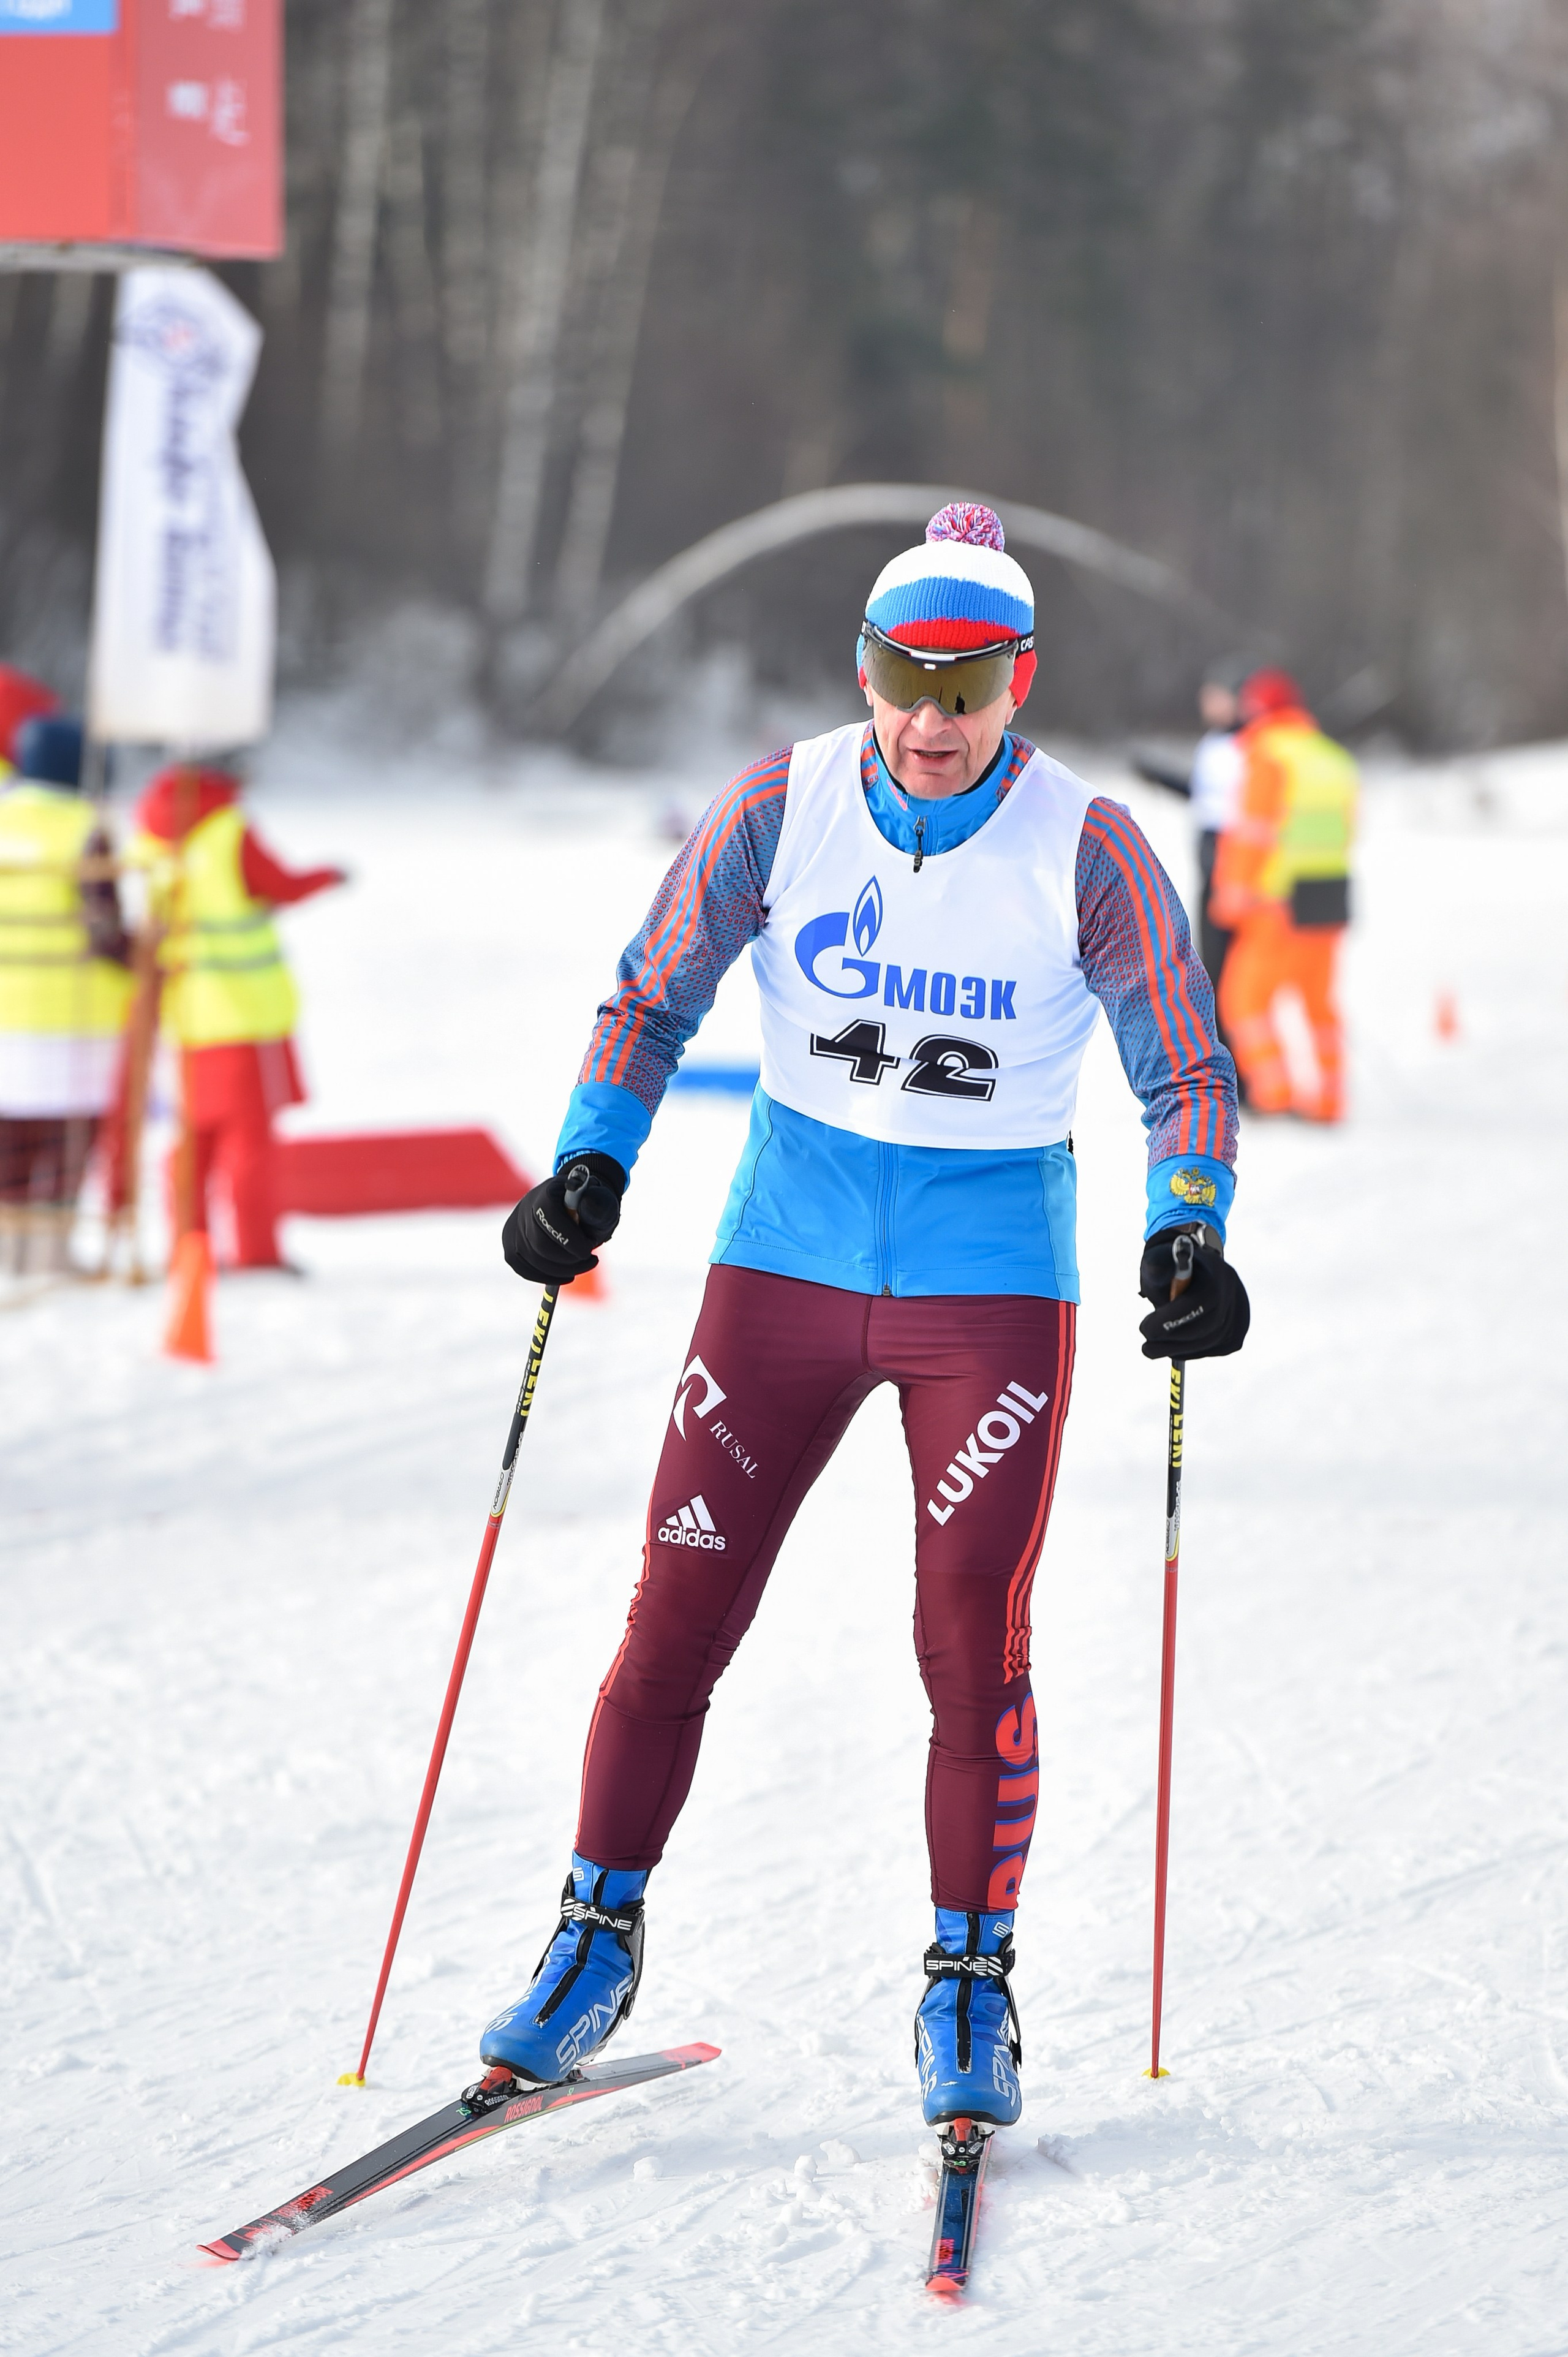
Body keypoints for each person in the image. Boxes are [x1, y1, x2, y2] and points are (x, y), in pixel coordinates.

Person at [481, 504, 1249, 2135]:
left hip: (990, 1294)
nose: (932, 715)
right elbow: (653, 990)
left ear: (1019, 684)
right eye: (906, 677)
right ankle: (592, 1933)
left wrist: (1188, 1228)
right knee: (676, 1609)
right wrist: (587, 1166)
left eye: (968, 685)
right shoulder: (783, 801)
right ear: (865, 670)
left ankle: (970, 1974)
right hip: (785, 1270)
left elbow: (1180, 1057)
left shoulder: (1086, 843)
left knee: (972, 1640)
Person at [125, 763, 345, 1269]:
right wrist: (330, 875)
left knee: (193, 1142)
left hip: (187, 1017)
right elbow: (281, 885)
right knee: (249, 1148)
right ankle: (256, 1253)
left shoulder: (149, 838)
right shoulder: (228, 831)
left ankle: (189, 1247)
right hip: (244, 1014)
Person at [0, 717, 132, 1275]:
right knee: (67, 1137)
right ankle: (51, 1252)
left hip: (6, 1008)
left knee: (11, 1134)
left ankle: (11, 1249)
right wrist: (143, 955)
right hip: (74, 1012)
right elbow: (103, 927)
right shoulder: (84, 827)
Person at [1210, 668, 1357, 1122]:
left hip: (1275, 903)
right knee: (1318, 1004)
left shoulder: (1267, 756)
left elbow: (1252, 835)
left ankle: (1275, 1095)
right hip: (1328, 898)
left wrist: (1231, 895)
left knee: (1244, 1000)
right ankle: (1330, 1098)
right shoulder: (1332, 757)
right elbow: (1348, 828)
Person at [1133, 654, 1251, 1021]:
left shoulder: (1248, 745)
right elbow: (1203, 794)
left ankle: (1238, 1062)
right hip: (1210, 866)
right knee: (1212, 969)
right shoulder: (1215, 742)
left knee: (1230, 974)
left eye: (1216, 696)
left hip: (1234, 868)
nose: (1208, 703)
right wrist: (1157, 776)